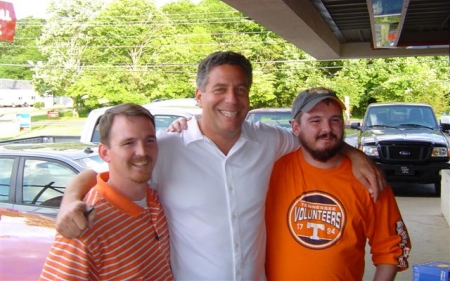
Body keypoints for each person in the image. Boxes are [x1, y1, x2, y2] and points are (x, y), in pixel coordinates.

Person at [55, 51, 384, 280]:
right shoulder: (165, 147)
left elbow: (318, 138)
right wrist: (70, 201)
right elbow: (101, 172)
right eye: (220, 89)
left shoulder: (270, 141)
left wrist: (355, 154)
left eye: (240, 90)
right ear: (199, 96)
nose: (231, 99)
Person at [265, 87, 411, 281]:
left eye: (335, 120)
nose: (327, 129)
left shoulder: (368, 179)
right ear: (296, 127)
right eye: (315, 120)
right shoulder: (271, 172)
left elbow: (391, 249)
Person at [40, 104, 173, 281]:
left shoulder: (156, 198)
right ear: (104, 152)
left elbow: (90, 174)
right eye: (128, 143)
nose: (142, 151)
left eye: (149, 140)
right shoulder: (83, 226)